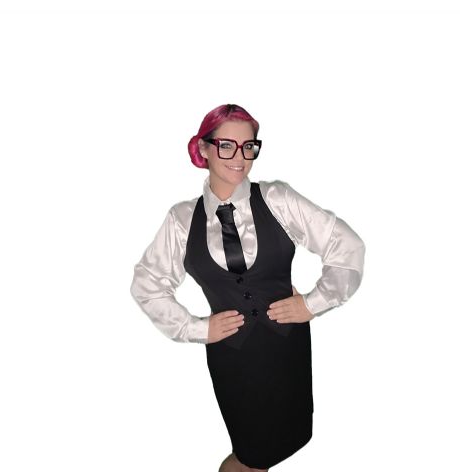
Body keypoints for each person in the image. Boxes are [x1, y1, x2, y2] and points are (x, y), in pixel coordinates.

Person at [130, 104, 365, 471]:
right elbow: (147, 284)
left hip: (286, 351)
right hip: (233, 360)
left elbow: (347, 246)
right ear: (203, 148)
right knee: (250, 454)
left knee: (280, 444)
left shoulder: (277, 199)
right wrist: (196, 328)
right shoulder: (182, 220)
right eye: (226, 145)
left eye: (248, 146)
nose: (239, 158)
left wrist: (313, 303)